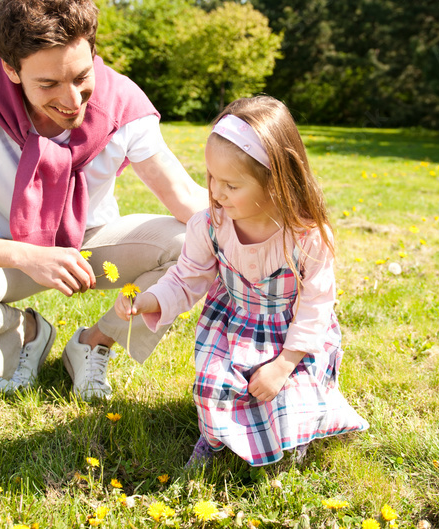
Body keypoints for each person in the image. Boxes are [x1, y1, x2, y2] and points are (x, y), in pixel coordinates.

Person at [0, 0, 208, 399]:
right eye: (48, 84)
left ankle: (93, 344)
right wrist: (28, 256)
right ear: (11, 69)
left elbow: (186, 198)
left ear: (93, 52)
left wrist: (276, 233)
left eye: (81, 76)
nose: (72, 101)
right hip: (7, 249)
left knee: (193, 241)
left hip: (93, 245)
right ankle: (27, 336)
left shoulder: (124, 104)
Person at [115, 96, 368, 467]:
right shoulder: (210, 225)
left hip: (293, 337)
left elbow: (316, 307)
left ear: (275, 182)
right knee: (213, 388)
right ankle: (214, 436)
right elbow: (186, 278)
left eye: (231, 185)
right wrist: (148, 300)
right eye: (212, 178)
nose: (216, 192)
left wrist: (283, 365)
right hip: (235, 325)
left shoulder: (307, 237)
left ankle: (294, 435)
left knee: (287, 399)